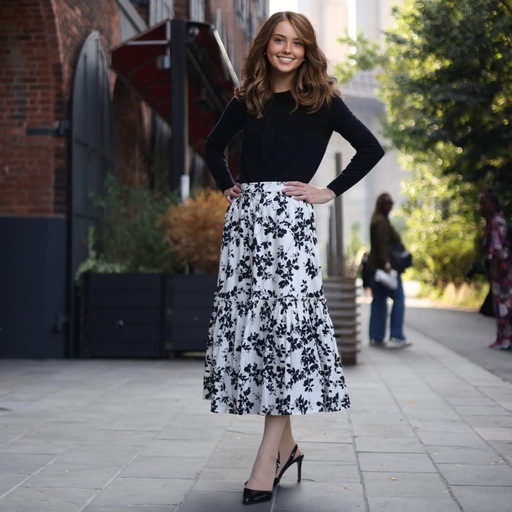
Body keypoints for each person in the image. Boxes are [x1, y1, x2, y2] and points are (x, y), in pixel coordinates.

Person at [202, 11, 384, 505]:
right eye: (279, 40)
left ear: (307, 50)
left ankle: (268, 460)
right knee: (259, 333)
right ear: (265, 45)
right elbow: (212, 147)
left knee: (283, 336)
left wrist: (329, 191)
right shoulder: (249, 98)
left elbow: (370, 148)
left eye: (297, 43)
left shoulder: (322, 100)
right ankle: (289, 447)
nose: (287, 49)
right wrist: (228, 188)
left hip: (289, 227)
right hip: (245, 228)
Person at [366, 193, 410, 348]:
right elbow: (382, 244)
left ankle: (376, 336)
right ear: (381, 205)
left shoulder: (377, 220)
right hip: (384, 268)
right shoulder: (381, 222)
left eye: (391, 203)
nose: (390, 206)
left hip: (375, 268)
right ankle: (396, 334)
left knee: (379, 301)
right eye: (387, 203)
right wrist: (386, 263)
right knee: (398, 298)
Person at [478, 188, 512, 350]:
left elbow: (497, 249)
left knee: (504, 304)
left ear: (492, 204)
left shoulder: (497, 222)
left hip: (503, 271)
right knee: (500, 304)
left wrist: (493, 268)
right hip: (502, 270)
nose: (481, 207)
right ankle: (501, 337)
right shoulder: (492, 221)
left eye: (483, 203)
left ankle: (506, 338)